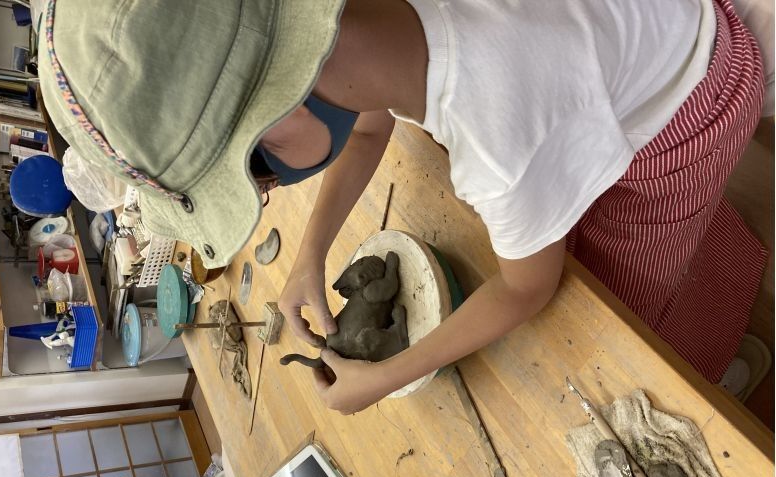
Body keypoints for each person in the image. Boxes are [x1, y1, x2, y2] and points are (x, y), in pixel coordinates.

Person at [40, 0, 769, 415]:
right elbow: (367, 119)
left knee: (617, 302)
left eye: (254, 171)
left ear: (285, 106)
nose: (264, 193)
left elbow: (527, 286)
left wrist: (388, 377)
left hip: (688, 107)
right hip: (613, 54)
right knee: (556, 236)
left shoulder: (500, 127)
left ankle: (712, 366)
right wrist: (308, 259)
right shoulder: (351, 38)